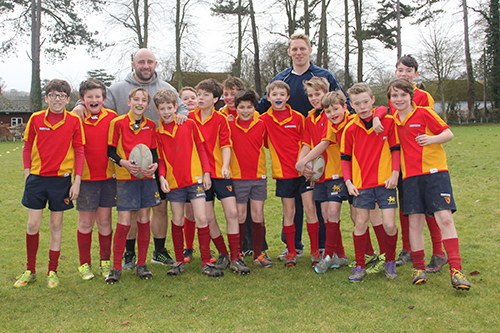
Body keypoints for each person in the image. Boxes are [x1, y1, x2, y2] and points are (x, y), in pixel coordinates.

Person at [73, 48, 188, 269]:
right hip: (126, 165)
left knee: (159, 208)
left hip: (158, 160)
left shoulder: (167, 88)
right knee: (132, 211)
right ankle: (129, 254)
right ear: (133, 64)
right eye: (141, 62)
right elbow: (95, 103)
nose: (146, 65)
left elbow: (181, 107)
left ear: (156, 64)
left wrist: (183, 114)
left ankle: (159, 251)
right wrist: (79, 104)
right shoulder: (116, 89)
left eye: (150, 62)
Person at [256, 33, 348, 259]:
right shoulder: (281, 78)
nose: (298, 52)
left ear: (309, 50)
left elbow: (344, 105)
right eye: (294, 49)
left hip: (320, 151)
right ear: (289, 52)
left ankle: (325, 246)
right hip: (295, 152)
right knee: (292, 206)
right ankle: (292, 246)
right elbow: (259, 107)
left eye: (302, 48)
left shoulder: (324, 76)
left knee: (319, 204)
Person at [387, 78, 471, 290]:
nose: (399, 99)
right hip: (410, 177)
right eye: (394, 95)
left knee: (444, 218)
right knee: (415, 222)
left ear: (411, 96)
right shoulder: (393, 121)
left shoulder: (424, 113)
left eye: (403, 95)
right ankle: (418, 268)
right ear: (390, 99)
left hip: (435, 174)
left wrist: (431, 139)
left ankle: (456, 271)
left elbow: (448, 133)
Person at [373, 54, 446, 273]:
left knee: (430, 210)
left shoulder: (422, 97)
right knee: (407, 208)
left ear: (416, 74)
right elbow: (388, 112)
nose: (404, 74)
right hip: (401, 162)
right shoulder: (394, 95)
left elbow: (427, 122)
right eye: (400, 70)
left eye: (408, 71)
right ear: (396, 72)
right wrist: (377, 115)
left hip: (422, 162)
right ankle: (407, 250)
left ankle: (438, 252)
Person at [14, 79, 85, 288]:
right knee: (32, 225)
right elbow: (27, 147)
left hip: (61, 180)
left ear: (67, 100)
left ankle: (52, 271)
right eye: (53, 95)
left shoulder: (73, 121)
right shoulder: (36, 119)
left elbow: (79, 150)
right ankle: (30, 269)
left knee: (56, 225)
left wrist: (77, 181)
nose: (57, 99)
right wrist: (28, 173)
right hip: (37, 179)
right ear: (46, 98)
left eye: (62, 96)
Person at [154, 88, 223, 277]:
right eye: (162, 109)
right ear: (157, 110)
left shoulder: (189, 124)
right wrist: (161, 177)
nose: (167, 112)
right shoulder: (157, 132)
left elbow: (201, 149)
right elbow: (160, 160)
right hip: (174, 183)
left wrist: (206, 173)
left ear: (176, 107)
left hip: (195, 180)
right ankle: (178, 261)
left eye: (170, 107)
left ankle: (206, 262)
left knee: (202, 218)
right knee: (177, 219)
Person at [341, 83, 400, 282]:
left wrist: (395, 173)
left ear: (373, 100)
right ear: (352, 105)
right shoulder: (350, 128)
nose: (363, 106)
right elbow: (345, 158)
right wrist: (348, 182)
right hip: (362, 184)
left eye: (366, 101)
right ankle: (359, 266)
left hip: (386, 183)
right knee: (360, 223)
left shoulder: (387, 121)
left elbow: (396, 149)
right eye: (358, 103)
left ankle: (390, 261)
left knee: (390, 224)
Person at [189, 79, 248, 274]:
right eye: (199, 95)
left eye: (205, 95)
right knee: (208, 217)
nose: (200, 98)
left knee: (232, 213)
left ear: (215, 99)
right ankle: (223, 253)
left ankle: (235, 257)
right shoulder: (189, 118)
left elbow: (226, 144)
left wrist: (224, 166)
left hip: (220, 174)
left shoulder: (221, 119)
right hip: (199, 175)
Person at [105, 87, 161, 283]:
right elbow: (110, 151)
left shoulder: (151, 125)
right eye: (136, 99)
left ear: (147, 105)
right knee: (124, 222)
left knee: (144, 218)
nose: (139, 103)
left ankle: (142, 264)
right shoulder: (117, 123)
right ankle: (116, 267)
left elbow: (153, 152)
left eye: (143, 100)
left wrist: (154, 165)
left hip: (145, 178)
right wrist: (125, 163)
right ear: (129, 102)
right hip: (125, 178)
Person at [260, 80, 317, 267]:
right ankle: (291, 251)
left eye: (282, 94)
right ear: (268, 98)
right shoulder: (264, 120)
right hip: (283, 174)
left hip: (304, 171)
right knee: (289, 212)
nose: (278, 98)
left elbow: (307, 142)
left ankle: (315, 250)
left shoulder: (299, 117)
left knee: (310, 209)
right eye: (274, 95)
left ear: (288, 97)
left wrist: (305, 163)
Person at [75, 78, 117, 280]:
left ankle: (105, 262)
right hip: (85, 179)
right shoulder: (76, 118)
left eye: (97, 96)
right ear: (82, 99)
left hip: (108, 178)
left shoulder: (112, 117)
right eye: (89, 97)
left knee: (105, 220)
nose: (93, 100)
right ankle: (84, 264)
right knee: (85, 222)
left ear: (104, 99)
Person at [229, 89, 273, 268]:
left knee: (257, 214)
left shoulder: (262, 124)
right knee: (240, 215)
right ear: (235, 108)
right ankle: (238, 251)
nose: (245, 111)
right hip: (237, 178)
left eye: (249, 107)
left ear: (255, 108)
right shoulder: (228, 124)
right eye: (241, 107)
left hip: (258, 177)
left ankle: (259, 253)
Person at [295, 77, 331, 266]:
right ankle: (315, 250)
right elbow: (307, 143)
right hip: (315, 171)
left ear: (326, 92)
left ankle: (334, 251)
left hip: (334, 171)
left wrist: (305, 162)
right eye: (310, 95)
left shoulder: (331, 114)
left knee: (332, 213)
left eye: (317, 94)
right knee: (310, 209)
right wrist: (302, 164)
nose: (314, 98)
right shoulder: (310, 117)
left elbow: (324, 143)